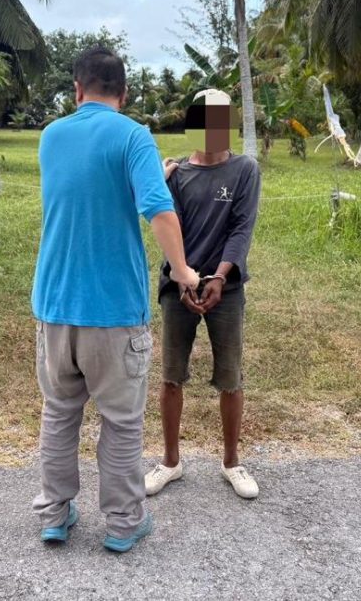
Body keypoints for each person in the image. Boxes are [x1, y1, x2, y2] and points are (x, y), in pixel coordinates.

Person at [31, 46, 200, 553]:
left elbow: (88, 189)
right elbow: (159, 211)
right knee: (121, 422)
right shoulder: (133, 137)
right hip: (114, 313)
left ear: (77, 90)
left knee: (59, 412)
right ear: (124, 95)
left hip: (55, 306)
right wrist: (184, 269)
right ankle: (124, 522)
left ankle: (54, 515)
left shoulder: (51, 137)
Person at [145, 89, 262, 500]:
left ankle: (232, 462)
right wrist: (183, 280)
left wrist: (219, 277)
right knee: (171, 375)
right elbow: (169, 226)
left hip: (225, 290)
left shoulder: (245, 169)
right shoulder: (175, 173)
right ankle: (170, 462)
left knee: (230, 376)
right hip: (178, 287)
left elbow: (241, 228)